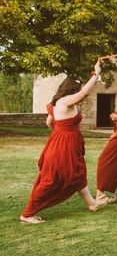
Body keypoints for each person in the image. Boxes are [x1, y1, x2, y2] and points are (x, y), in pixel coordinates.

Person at [19, 61, 109, 224]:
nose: (79, 92)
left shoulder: (56, 103)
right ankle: (27, 214)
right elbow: (84, 94)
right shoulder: (65, 101)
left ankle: (93, 204)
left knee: (76, 173)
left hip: (64, 142)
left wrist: (60, 131)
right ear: (71, 90)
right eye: (77, 89)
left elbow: (49, 123)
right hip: (63, 145)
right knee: (51, 179)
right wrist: (96, 74)